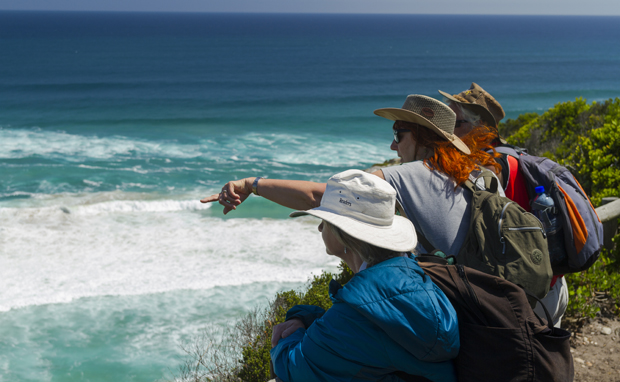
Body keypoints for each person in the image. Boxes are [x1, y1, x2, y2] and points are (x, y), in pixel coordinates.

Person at [201, 94, 501, 258]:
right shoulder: (482, 176)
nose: (393, 145)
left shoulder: (406, 176)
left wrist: (252, 184)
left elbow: (323, 197)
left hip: (464, 317)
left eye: (399, 134)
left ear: (423, 137)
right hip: (501, 303)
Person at [270, 169, 460, 382]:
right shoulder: (410, 273)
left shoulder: (357, 313)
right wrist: (307, 317)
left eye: (325, 221)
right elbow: (364, 335)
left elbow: (296, 367)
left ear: (343, 235)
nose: (319, 227)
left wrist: (291, 331)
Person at [439, 83, 568, 327]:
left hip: (530, 296)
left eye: (456, 123)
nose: (449, 131)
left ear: (482, 128)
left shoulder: (489, 169)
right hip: (551, 284)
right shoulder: (512, 155)